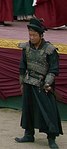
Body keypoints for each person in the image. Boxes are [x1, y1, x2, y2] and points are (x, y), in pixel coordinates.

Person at [15, 17, 62, 148]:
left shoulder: (50, 50)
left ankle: (51, 138)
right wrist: (22, 82)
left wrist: (47, 84)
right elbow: (22, 66)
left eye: (34, 35)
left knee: (48, 111)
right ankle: (28, 134)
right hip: (29, 82)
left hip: (43, 85)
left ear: (41, 35)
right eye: (30, 35)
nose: (32, 38)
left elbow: (53, 69)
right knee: (28, 108)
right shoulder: (26, 48)